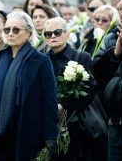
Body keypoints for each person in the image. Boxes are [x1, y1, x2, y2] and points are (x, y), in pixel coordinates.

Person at [0, 11, 58, 161]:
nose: (10, 33)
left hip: (25, 130)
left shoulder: (41, 60)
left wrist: (50, 135)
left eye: (16, 30)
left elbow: (49, 99)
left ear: (28, 33)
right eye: (7, 29)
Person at [44, 17, 106, 161]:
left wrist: (64, 106)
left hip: (77, 126)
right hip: (50, 124)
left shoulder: (81, 57)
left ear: (67, 34)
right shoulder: (42, 60)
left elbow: (90, 90)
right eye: (48, 34)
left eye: (57, 32)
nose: (52, 36)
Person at [93, 0, 122, 161]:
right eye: (121, 8)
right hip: (115, 124)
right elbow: (97, 75)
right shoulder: (110, 38)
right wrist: (115, 54)